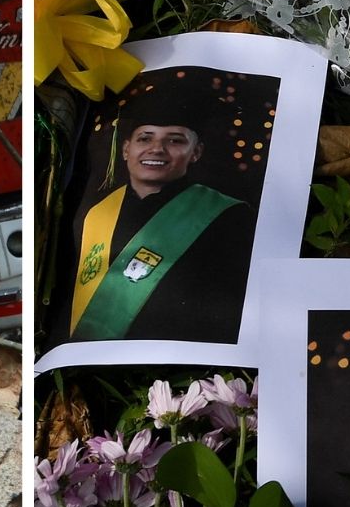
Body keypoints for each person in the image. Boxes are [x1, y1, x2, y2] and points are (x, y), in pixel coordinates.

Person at [64, 79, 255, 343]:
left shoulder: (228, 216)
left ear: (196, 152)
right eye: (145, 138)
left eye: (175, 140)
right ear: (126, 149)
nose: (157, 148)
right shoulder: (94, 214)